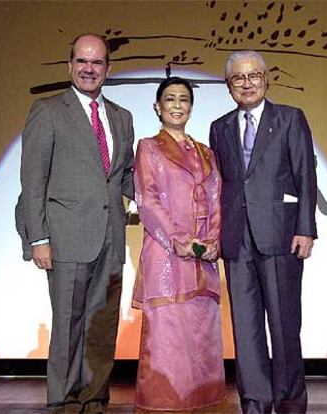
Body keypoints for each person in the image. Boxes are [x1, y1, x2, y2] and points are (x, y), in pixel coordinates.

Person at [17, 33, 134, 414]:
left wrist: (167, 192)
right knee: (68, 325)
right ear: (70, 66)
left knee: (101, 328)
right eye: (82, 61)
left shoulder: (122, 117)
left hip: (111, 239)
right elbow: (33, 180)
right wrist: (39, 237)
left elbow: (125, 176)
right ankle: (63, 403)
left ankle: (95, 399)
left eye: (97, 62)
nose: (89, 68)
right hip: (66, 238)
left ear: (107, 69)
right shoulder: (48, 111)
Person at [209, 51, 317, 414]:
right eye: (238, 78)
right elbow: (221, 184)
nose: (247, 83)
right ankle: (255, 401)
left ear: (266, 78)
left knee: (285, 326)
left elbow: (305, 176)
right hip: (236, 240)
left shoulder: (290, 118)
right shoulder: (219, 127)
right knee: (246, 328)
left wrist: (306, 228)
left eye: (254, 75)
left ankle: (288, 400)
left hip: (282, 236)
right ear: (228, 86)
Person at [133, 77, 226, 412]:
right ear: (157, 107)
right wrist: (181, 241)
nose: (176, 105)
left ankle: (203, 402)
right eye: (169, 99)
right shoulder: (149, 147)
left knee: (202, 330)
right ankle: (164, 403)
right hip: (167, 254)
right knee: (167, 334)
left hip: (204, 258)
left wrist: (213, 239)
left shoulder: (206, 152)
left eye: (183, 99)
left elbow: (217, 198)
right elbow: (149, 201)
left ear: (191, 107)